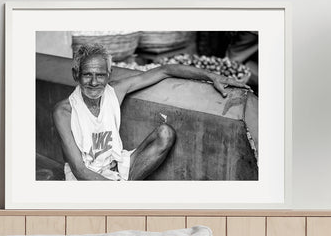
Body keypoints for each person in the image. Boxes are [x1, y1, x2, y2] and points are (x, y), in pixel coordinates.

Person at [53, 43, 249, 181]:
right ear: (75, 74)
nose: (94, 83)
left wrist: (212, 76)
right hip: (87, 181)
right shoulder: (64, 111)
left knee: (165, 134)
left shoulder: (115, 92)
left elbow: (164, 70)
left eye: (100, 75)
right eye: (87, 75)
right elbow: (80, 171)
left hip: (118, 169)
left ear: (108, 75)